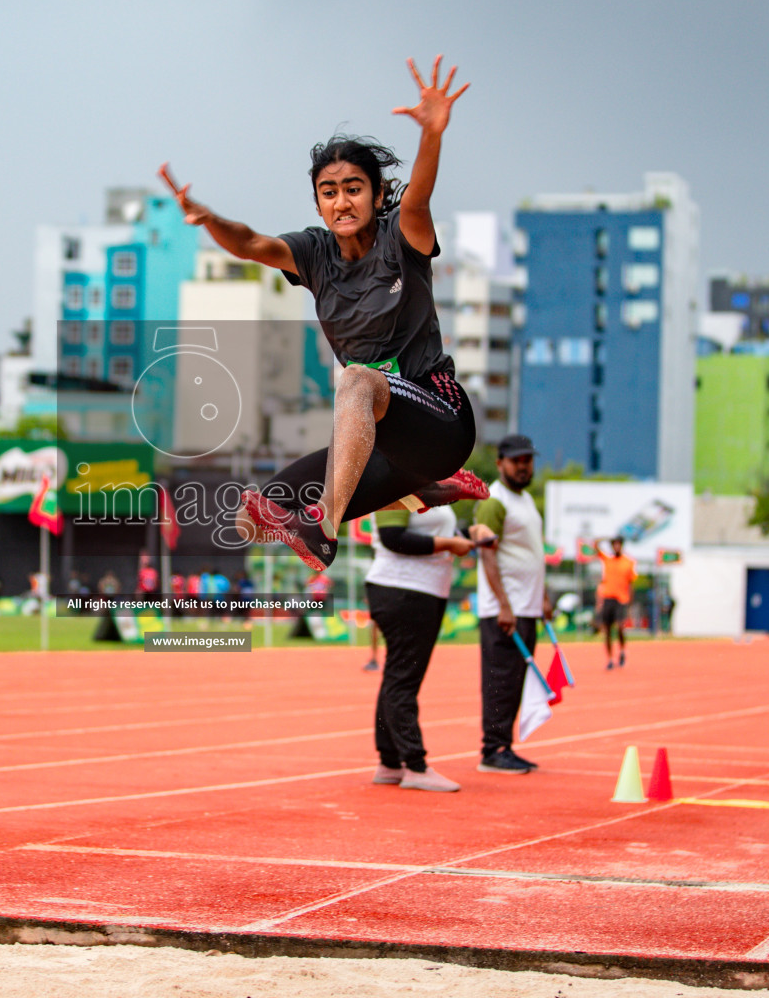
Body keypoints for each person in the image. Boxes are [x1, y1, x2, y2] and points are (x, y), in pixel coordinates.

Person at [162, 55, 487, 573]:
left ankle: (326, 529)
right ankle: (424, 488)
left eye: (353, 189)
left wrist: (432, 135)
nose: (341, 202)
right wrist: (209, 218)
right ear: (317, 205)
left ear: (377, 194)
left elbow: (419, 200)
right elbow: (249, 242)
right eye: (329, 192)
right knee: (256, 515)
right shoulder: (314, 253)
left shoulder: (401, 238)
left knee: (356, 381)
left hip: (439, 418)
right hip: (388, 444)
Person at [365, 503, 482, 792]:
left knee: (397, 676)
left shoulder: (423, 484)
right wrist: (450, 543)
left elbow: (430, 530)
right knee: (403, 680)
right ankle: (414, 765)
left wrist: (465, 534)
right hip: (404, 590)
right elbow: (393, 536)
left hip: (420, 590)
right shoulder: (396, 483)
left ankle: (390, 762)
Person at [472, 434, 551, 775]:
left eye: (528, 460)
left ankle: (505, 745)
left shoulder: (527, 501)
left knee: (515, 680)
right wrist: (504, 605)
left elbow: (532, 554)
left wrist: (543, 596)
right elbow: (487, 554)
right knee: (500, 679)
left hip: (527, 607)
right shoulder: (494, 500)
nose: (524, 466)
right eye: (517, 460)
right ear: (500, 462)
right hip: (505, 611)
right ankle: (493, 750)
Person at [595, 536, 636, 670]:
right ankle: (610, 658)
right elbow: (595, 545)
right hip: (608, 598)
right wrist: (605, 538)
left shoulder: (628, 562)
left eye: (619, 544)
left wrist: (630, 603)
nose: (617, 547)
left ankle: (622, 651)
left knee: (620, 627)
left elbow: (631, 584)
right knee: (607, 630)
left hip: (621, 599)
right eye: (614, 545)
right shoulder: (608, 560)